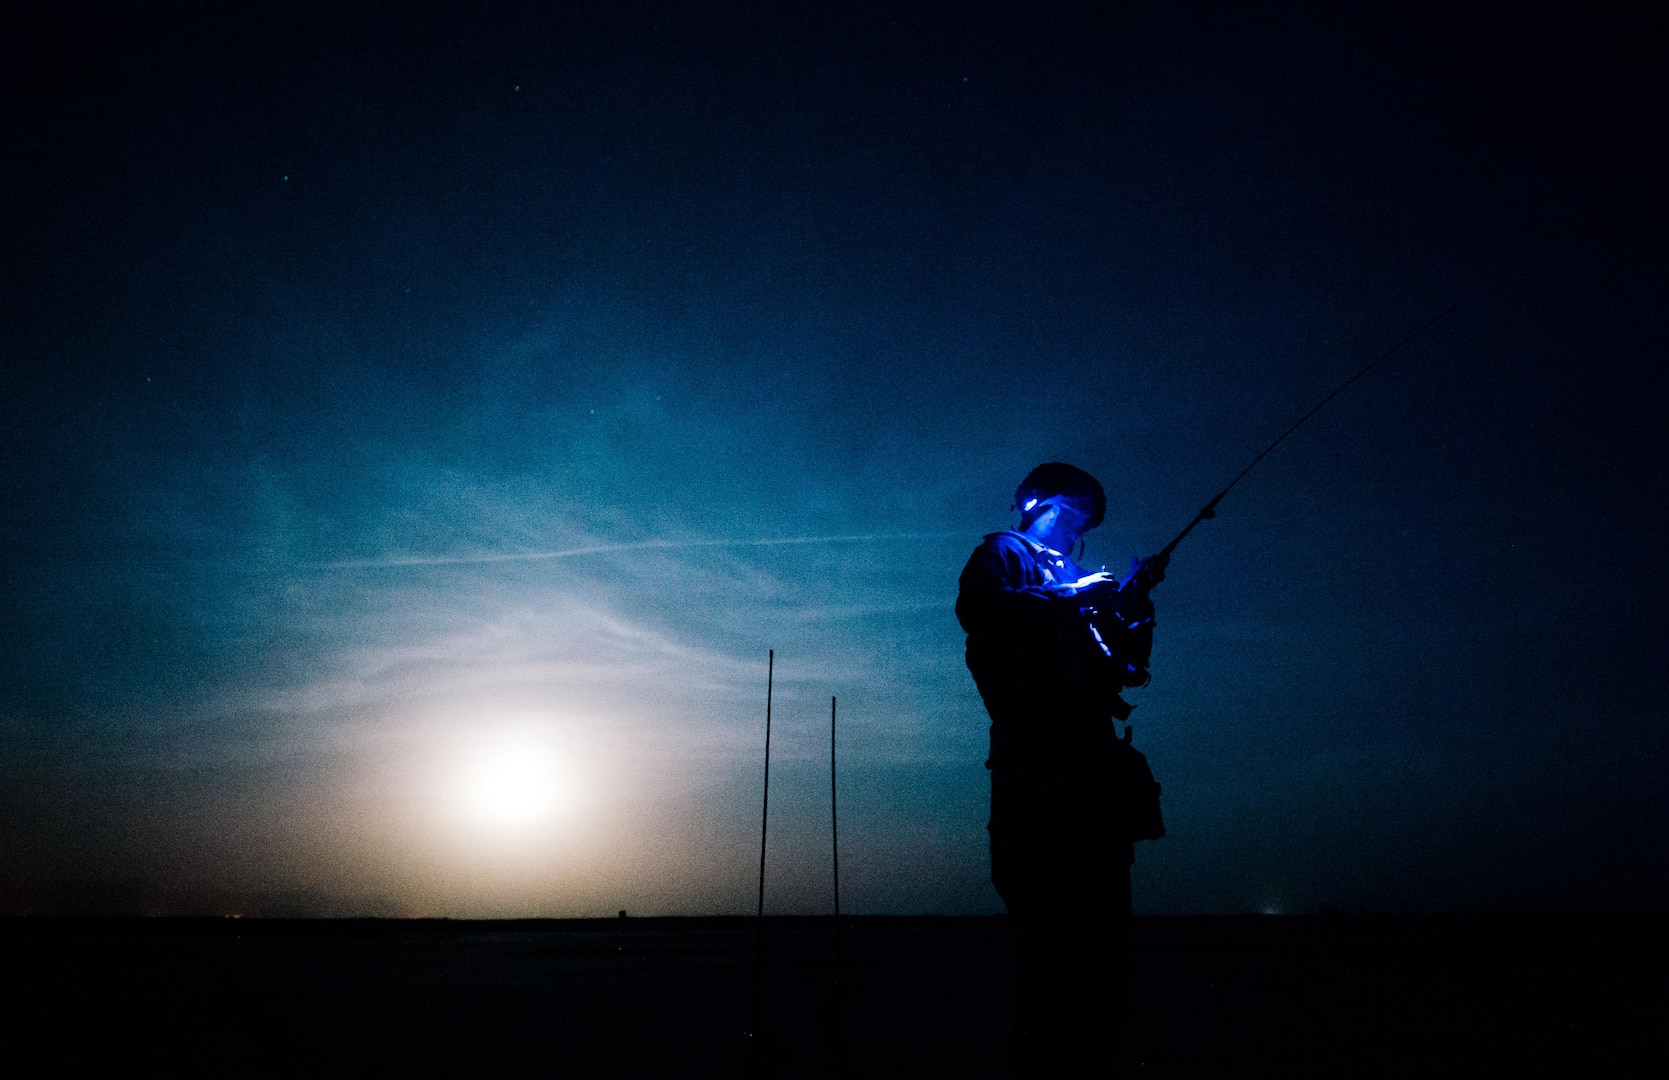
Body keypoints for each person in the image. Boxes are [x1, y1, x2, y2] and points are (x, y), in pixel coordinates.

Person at [955, 462, 1166, 1074]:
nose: (1077, 531)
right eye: (1072, 515)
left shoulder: (1077, 576)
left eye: (1086, 523)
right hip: (1037, 768)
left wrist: (1134, 599)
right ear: (1037, 504)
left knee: (1106, 945)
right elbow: (981, 611)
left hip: (1095, 770)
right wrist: (1075, 596)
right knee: (1050, 942)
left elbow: (1122, 667)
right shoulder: (1002, 553)